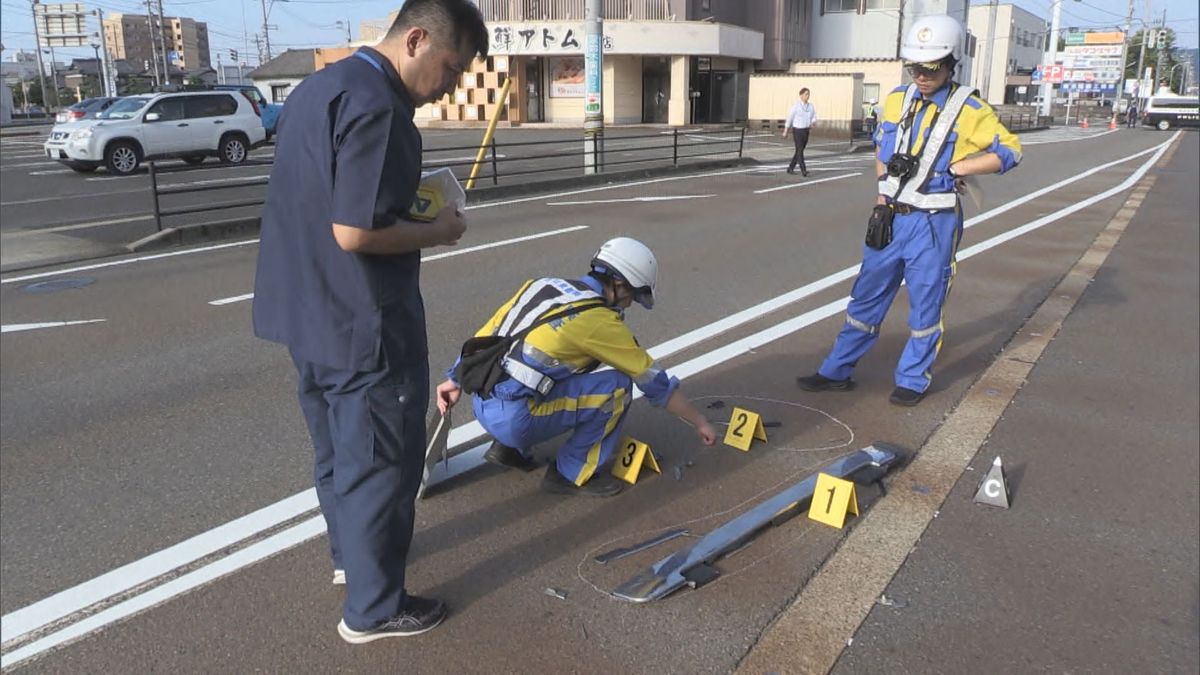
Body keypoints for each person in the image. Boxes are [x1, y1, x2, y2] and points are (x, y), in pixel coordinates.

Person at [251, 0, 488, 644]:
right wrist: (438, 229)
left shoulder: (317, 89)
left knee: (335, 451)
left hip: (306, 312)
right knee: (383, 462)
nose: (452, 85)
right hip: (363, 322)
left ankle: (349, 562)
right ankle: (374, 608)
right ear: (416, 39)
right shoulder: (381, 107)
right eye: (451, 67)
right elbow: (356, 231)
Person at [794, 14, 1021, 407]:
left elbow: (1011, 151)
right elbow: (883, 152)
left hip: (934, 223)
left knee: (926, 303)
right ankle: (836, 370)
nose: (922, 75)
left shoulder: (969, 108)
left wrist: (960, 167)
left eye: (931, 68)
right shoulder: (897, 99)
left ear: (951, 64)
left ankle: (913, 378)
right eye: (916, 67)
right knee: (865, 297)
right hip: (891, 217)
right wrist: (882, 198)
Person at [434, 237, 718, 497]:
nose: (631, 304)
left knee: (561, 365)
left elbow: (488, 335)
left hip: (480, 401)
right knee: (617, 387)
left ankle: (507, 450)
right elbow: (655, 384)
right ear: (618, 284)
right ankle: (569, 474)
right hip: (513, 419)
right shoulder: (598, 321)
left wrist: (454, 379)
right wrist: (700, 421)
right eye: (633, 295)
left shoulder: (542, 286)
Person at [782, 87, 817, 176]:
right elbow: (790, 118)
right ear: (801, 95)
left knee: (799, 150)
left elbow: (814, 116)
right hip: (797, 130)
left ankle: (790, 168)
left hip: (806, 130)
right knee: (800, 150)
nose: (807, 96)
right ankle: (803, 170)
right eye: (805, 94)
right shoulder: (796, 106)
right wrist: (786, 130)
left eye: (808, 94)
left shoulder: (811, 106)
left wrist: (813, 122)